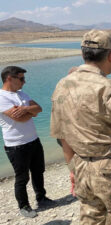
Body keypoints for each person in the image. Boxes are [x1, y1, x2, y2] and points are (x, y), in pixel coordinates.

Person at [51, 29, 111, 224]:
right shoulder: (107, 86)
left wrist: (73, 168)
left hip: (82, 166)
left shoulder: (62, 85)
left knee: (91, 218)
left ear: (82, 54)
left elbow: (62, 134)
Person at [0, 66, 53, 218]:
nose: (24, 82)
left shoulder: (21, 94)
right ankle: (24, 206)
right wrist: (29, 111)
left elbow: (39, 108)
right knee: (22, 177)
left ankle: (41, 198)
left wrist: (25, 109)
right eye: (21, 78)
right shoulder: (1, 97)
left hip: (33, 140)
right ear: (9, 78)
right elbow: (20, 118)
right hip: (16, 145)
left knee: (38, 171)